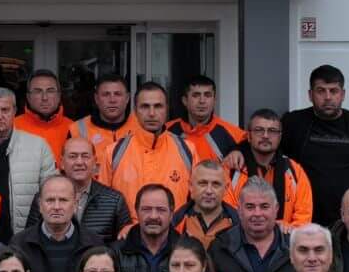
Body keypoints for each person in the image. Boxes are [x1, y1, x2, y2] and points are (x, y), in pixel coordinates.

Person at [281, 65, 349, 225]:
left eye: (333, 91)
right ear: (310, 95)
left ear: (343, 94)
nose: (327, 97)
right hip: (304, 219)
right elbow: (267, 152)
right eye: (321, 91)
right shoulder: (293, 122)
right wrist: (239, 151)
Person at [0, 86, 56, 243]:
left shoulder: (39, 147)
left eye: (5, 110)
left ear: (14, 112)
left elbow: (51, 195)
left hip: (26, 240)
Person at [104, 82, 196, 213]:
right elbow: (102, 205)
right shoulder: (113, 152)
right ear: (135, 110)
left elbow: (198, 202)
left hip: (175, 232)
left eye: (158, 106)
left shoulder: (188, 150)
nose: (152, 113)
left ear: (166, 109)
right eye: (145, 107)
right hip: (128, 232)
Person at [226, 109, 314, 228]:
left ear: (280, 136)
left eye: (272, 131)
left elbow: (304, 215)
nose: (265, 136)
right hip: (241, 242)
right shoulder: (232, 169)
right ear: (249, 136)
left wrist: (287, 232)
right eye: (259, 130)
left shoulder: (294, 171)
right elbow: (227, 212)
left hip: (284, 243)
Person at [14, 174, 89, 272]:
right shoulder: (20, 244)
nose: (56, 206)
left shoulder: (92, 245)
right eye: (50, 200)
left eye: (63, 200)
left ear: (76, 204)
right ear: (40, 205)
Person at [55, 134, 129, 241]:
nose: (79, 162)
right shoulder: (45, 199)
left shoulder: (115, 200)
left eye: (85, 156)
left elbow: (124, 244)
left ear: (95, 162)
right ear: (61, 163)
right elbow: (31, 242)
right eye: (73, 156)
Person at [170, 74, 244, 164]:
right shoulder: (168, 131)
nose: (202, 101)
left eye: (207, 95)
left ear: (214, 100)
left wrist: (239, 151)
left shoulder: (232, 133)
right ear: (185, 100)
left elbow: (254, 146)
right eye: (196, 95)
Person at [72, 72, 138, 167]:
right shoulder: (77, 129)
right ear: (96, 98)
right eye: (106, 94)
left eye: (117, 94)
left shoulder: (141, 126)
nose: (112, 100)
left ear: (127, 98)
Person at [171, 158, 238, 248]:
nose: (209, 191)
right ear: (191, 186)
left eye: (215, 184)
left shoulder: (239, 225)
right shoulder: (174, 224)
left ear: (226, 189)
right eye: (203, 183)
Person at [14, 68, 72, 163]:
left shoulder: (73, 129)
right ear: (28, 97)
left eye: (50, 91)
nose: (44, 97)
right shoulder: (12, 127)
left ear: (59, 96)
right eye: (37, 91)